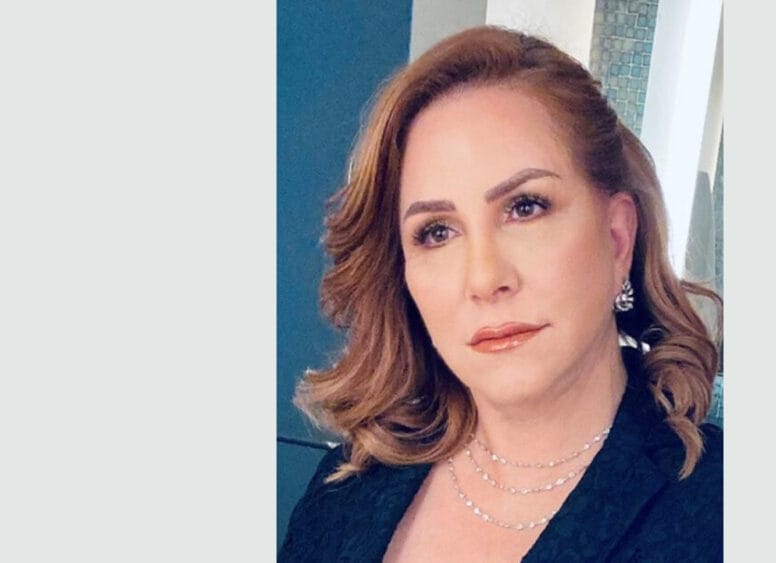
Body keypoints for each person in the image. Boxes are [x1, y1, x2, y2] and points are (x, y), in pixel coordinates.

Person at [279, 25, 722, 562]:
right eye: (436, 232)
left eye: (525, 207)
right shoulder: (343, 493)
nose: (485, 278)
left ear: (616, 237)